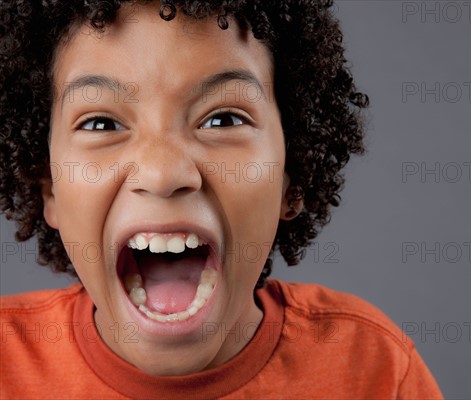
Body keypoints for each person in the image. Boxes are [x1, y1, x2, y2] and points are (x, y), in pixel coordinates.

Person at [0, 1, 443, 398]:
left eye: (223, 118)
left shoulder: (373, 369)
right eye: (100, 124)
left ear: (293, 178)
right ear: (49, 187)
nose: (162, 173)